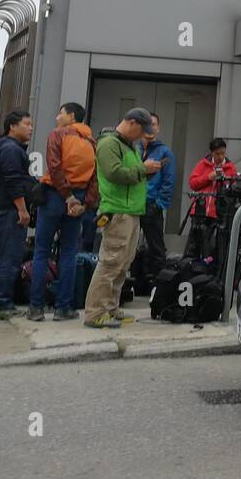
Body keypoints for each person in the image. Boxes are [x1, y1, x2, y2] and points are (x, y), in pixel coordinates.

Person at [84, 108, 161, 328]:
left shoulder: (130, 145)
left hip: (131, 211)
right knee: (110, 263)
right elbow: (114, 173)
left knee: (122, 263)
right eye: (142, 131)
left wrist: (146, 171)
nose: (142, 136)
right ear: (133, 123)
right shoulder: (109, 144)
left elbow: (131, 172)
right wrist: (143, 169)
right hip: (117, 211)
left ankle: (110, 308)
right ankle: (95, 313)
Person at [28, 101, 99, 321]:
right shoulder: (91, 141)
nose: (58, 118)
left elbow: (54, 165)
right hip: (77, 201)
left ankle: (36, 308)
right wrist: (84, 203)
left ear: (71, 116)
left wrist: (66, 195)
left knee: (41, 251)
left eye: (61, 114)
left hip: (54, 196)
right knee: (69, 253)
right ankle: (64, 308)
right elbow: (96, 177)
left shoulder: (58, 135)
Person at [0, 110, 36, 319]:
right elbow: (13, 181)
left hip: (6, 209)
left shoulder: (10, 148)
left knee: (4, 257)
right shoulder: (10, 149)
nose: (31, 128)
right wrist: (22, 210)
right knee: (7, 258)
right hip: (8, 211)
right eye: (26, 124)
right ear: (12, 126)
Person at [133, 112, 174, 292]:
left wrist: (159, 203)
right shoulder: (134, 148)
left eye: (154, 124)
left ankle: (160, 289)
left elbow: (169, 180)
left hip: (151, 205)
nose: (151, 128)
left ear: (159, 128)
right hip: (132, 205)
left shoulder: (165, 152)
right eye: (148, 124)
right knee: (129, 246)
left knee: (156, 248)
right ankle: (135, 283)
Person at [186, 138, 237, 260]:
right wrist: (208, 177)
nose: (220, 156)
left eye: (223, 153)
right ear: (211, 153)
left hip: (219, 213)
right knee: (195, 244)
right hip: (200, 210)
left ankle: (211, 269)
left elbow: (234, 189)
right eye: (217, 154)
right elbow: (193, 183)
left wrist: (225, 181)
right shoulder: (203, 164)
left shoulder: (230, 168)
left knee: (214, 246)